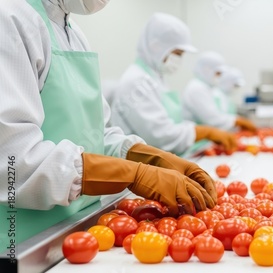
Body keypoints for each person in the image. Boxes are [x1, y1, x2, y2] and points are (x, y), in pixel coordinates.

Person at [0, 0, 215, 249]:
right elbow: (12, 160)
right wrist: (131, 174)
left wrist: (148, 158)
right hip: (24, 239)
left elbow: (96, 133)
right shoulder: (11, 19)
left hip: (78, 228)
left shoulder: (73, 33)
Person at [111, 14, 237, 155]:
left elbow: (170, 126)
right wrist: (206, 131)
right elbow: (161, 136)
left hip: (160, 162)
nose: (178, 59)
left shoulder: (155, 79)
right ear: (155, 46)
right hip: (141, 167)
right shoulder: (137, 81)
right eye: (177, 53)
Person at [182, 52, 257, 132]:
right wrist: (238, 121)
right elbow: (212, 119)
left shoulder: (206, 88)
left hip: (205, 137)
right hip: (198, 141)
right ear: (206, 69)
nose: (219, 77)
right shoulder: (197, 88)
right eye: (218, 73)